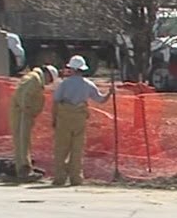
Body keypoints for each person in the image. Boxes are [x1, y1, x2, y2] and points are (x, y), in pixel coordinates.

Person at [51, 55, 112, 186]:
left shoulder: (64, 84)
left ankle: (60, 178)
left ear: (72, 69)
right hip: (79, 118)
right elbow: (101, 99)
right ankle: (76, 178)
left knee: (61, 148)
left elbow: (56, 101)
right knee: (77, 149)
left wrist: (54, 118)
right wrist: (110, 93)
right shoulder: (88, 84)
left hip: (64, 118)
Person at [9, 64, 57, 180]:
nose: (48, 83)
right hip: (23, 115)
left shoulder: (34, 79)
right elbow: (24, 96)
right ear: (47, 74)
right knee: (23, 142)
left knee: (22, 142)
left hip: (23, 114)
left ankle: (24, 167)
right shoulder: (34, 79)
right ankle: (24, 169)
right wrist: (28, 110)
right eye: (50, 80)